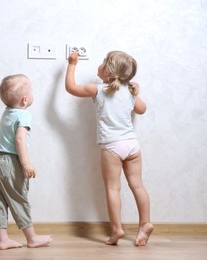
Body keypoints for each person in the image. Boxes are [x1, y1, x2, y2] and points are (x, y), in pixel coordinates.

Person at [65, 50, 154, 246]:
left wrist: (72, 63)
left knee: (113, 188)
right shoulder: (130, 92)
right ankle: (145, 223)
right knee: (138, 186)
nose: (101, 63)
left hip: (112, 146)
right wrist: (136, 93)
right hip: (132, 145)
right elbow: (142, 109)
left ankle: (116, 230)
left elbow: (70, 87)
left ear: (108, 71)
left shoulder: (97, 89)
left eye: (104, 60)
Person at [0, 74, 53, 250]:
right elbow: (20, 140)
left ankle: (3, 240)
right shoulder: (24, 115)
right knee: (19, 199)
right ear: (25, 99)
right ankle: (31, 238)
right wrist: (25, 164)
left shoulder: (7, 113)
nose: (32, 94)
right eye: (31, 91)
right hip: (10, 163)